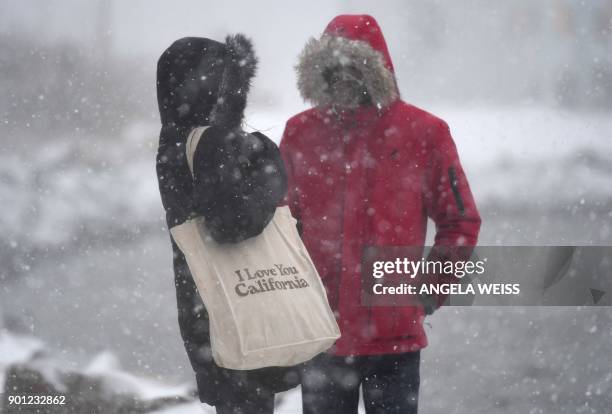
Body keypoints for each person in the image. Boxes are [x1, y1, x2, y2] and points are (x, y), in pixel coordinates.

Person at [279, 15, 481, 414]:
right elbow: (282, 226)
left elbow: (460, 221)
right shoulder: (300, 133)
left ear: (377, 68)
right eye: (332, 68)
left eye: (354, 67)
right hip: (321, 335)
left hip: (393, 339)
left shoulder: (424, 132)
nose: (342, 78)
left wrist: (429, 289)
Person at [155, 34, 298, 414]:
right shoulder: (203, 146)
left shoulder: (175, 141)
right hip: (234, 308)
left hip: (210, 306)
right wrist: (267, 160)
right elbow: (233, 222)